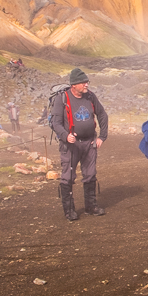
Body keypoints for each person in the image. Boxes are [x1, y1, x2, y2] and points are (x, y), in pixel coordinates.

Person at [51, 68, 108, 220]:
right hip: (71, 145)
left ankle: (90, 206)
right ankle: (69, 210)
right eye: (83, 82)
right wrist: (65, 135)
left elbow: (102, 114)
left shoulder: (90, 96)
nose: (86, 85)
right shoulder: (62, 99)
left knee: (90, 175)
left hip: (90, 143)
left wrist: (102, 136)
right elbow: (55, 122)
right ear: (74, 85)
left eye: (87, 82)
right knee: (68, 177)